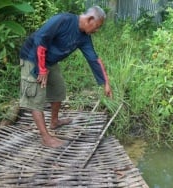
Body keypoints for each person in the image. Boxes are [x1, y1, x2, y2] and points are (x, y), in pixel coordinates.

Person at [19, 6, 113, 148]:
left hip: (50, 61)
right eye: (97, 26)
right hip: (32, 58)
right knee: (36, 98)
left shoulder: (84, 37)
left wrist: (105, 83)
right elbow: (40, 39)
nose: (97, 30)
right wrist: (42, 69)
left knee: (59, 89)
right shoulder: (63, 20)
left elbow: (94, 59)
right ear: (90, 19)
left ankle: (54, 121)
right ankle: (46, 138)